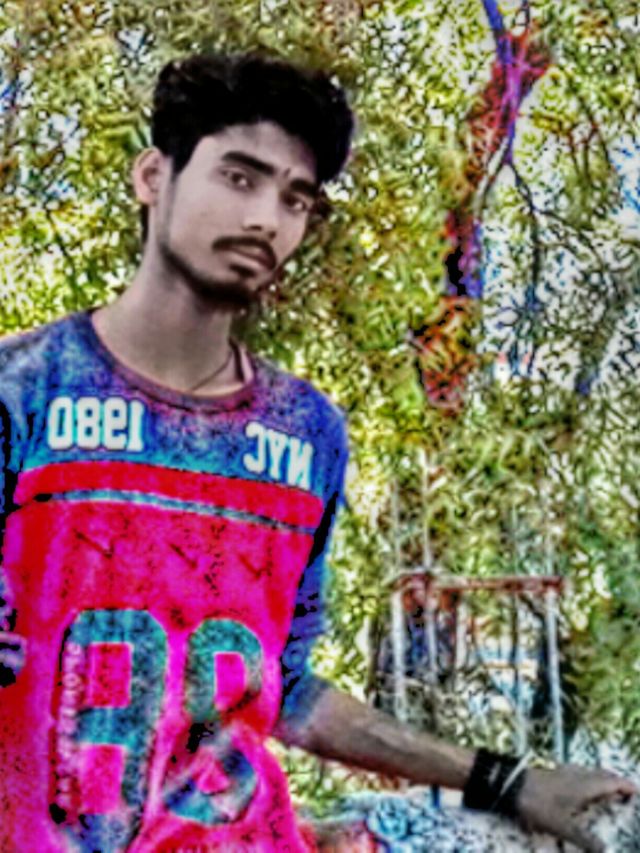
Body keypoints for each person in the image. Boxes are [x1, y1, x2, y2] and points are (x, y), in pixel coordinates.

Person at [0, 52, 633, 853]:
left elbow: (285, 688)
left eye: (295, 198)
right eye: (239, 177)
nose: (267, 217)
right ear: (153, 177)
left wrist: (509, 781)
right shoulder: (25, 391)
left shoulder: (305, 433)